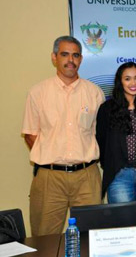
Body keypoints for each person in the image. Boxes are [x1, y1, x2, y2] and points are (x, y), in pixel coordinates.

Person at [21, 36, 105, 236]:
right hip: (50, 177)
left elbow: (99, 133)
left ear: (81, 59)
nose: (71, 60)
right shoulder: (38, 92)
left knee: (91, 236)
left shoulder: (94, 93)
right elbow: (30, 134)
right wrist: (53, 156)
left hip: (87, 176)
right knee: (45, 237)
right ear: (54, 57)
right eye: (64, 54)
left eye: (75, 55)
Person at [96, 62, 136, 212]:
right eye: (127, 79)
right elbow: (101, 141)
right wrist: (112, 166)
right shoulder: (107, 109)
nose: (133, 83)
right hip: (119, 175)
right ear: (120, 82)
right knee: (124, 227)